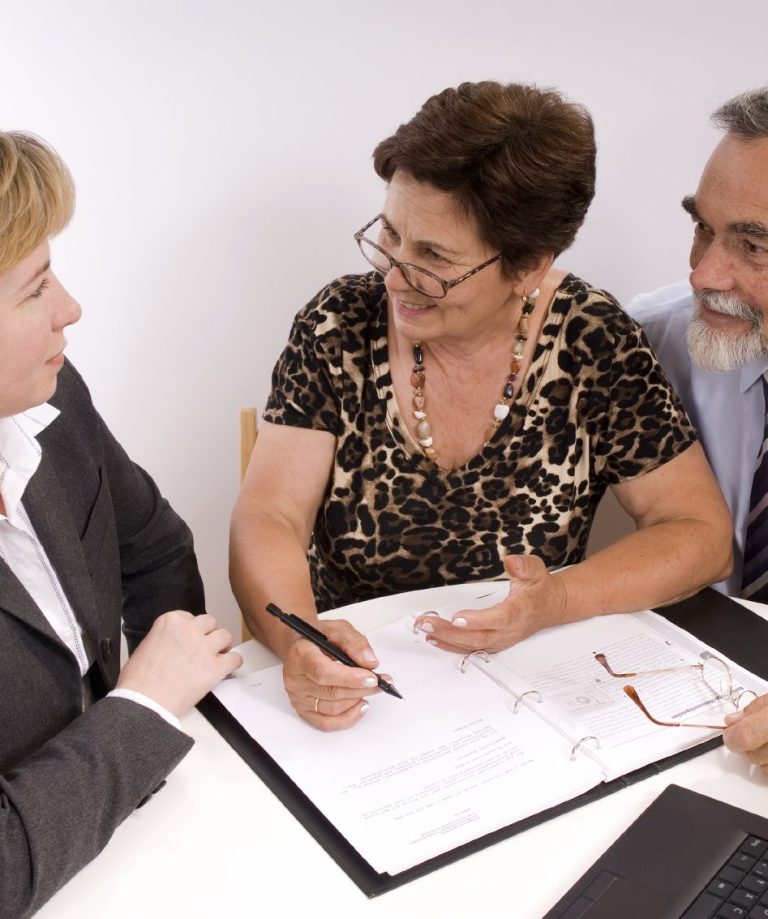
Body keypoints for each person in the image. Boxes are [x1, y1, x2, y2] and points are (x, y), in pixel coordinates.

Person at [230, 80, 732, 733]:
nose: (394, 276)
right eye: (390, 235)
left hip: (526, 699)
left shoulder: (590, 339)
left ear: (528, 266)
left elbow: (700, 534)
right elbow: (268, 514)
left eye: (433, 258)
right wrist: (302, 642)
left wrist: (554, 598)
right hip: (359, 696)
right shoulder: (338, 325)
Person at [0, 131, 242, 919]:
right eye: (36, 288)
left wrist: (168, 718)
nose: (71, 307)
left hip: (131, 841)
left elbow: (154, 547)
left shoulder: (52, 399)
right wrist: (143, 711)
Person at [626, 88, 768, 778]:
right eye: (702, 229)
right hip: (686, 716)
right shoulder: (650, 341)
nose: (704, 273)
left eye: (753, 246)